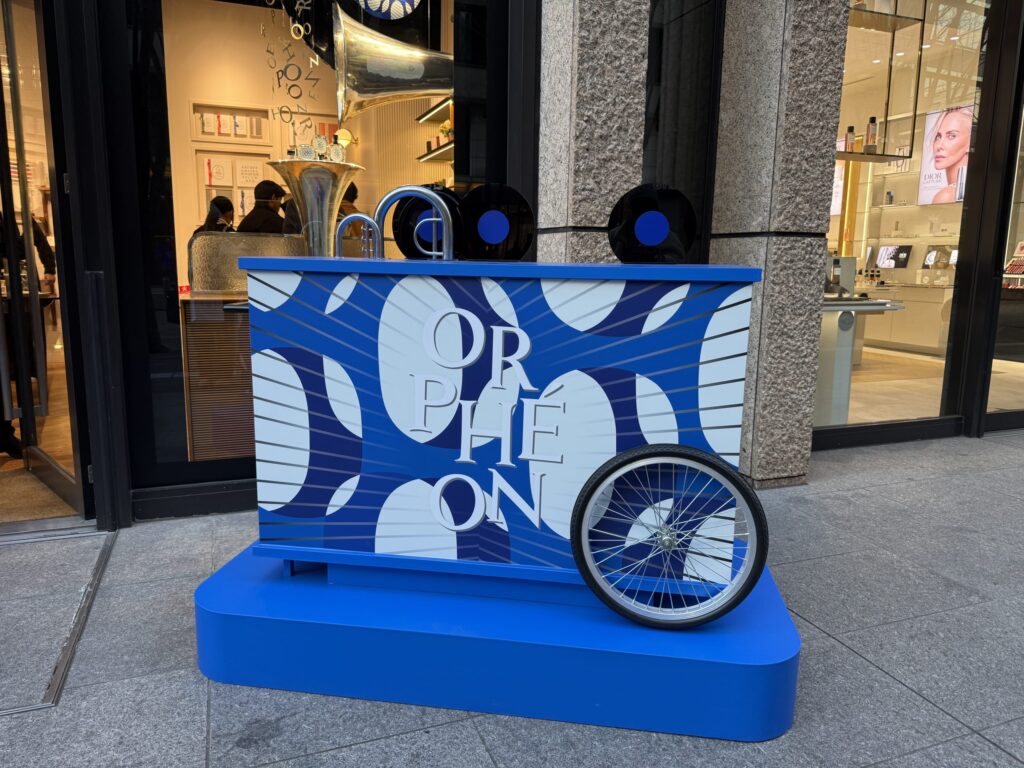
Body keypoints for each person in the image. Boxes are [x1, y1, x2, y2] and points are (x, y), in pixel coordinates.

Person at [0, 212, 57, 458]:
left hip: (19, 288)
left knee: (22, 340)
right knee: (17, 343)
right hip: (15, 289)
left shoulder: (18, 219)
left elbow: (41, 244)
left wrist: (50, 269)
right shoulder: (14, 221)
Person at [928, 108, 972, 204]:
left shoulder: (946, 196)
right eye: (938, 136)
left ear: (971, 142)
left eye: (952, 136)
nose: (939, 146)